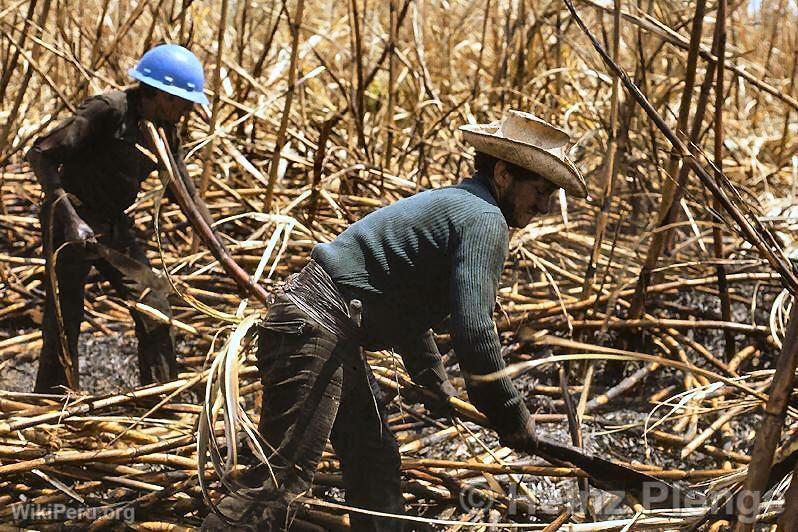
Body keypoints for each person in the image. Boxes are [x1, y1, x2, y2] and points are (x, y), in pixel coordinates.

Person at [201, 110, 588, 531]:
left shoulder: (462, 205)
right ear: (503, 174)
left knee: (375, 459)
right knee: (277, 485)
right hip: (316, 325)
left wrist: (432, 376)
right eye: (540, 191)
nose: (546, 207)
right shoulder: (484, 219)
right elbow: (475, 332)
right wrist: (511, 415)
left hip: (328, 328)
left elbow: (405, 301)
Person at [28, 44, 217, 393]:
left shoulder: (164, 127)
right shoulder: (108, 110)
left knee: (154, 306)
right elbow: (40, 154)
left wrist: (220, 249)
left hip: (114, 226)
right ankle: (55, 402)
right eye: (185, 101)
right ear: (162, 95)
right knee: (63, 316)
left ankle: (159, 399)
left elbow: (186, 193)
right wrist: (70, 218)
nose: (189, 110)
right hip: (69, 218)